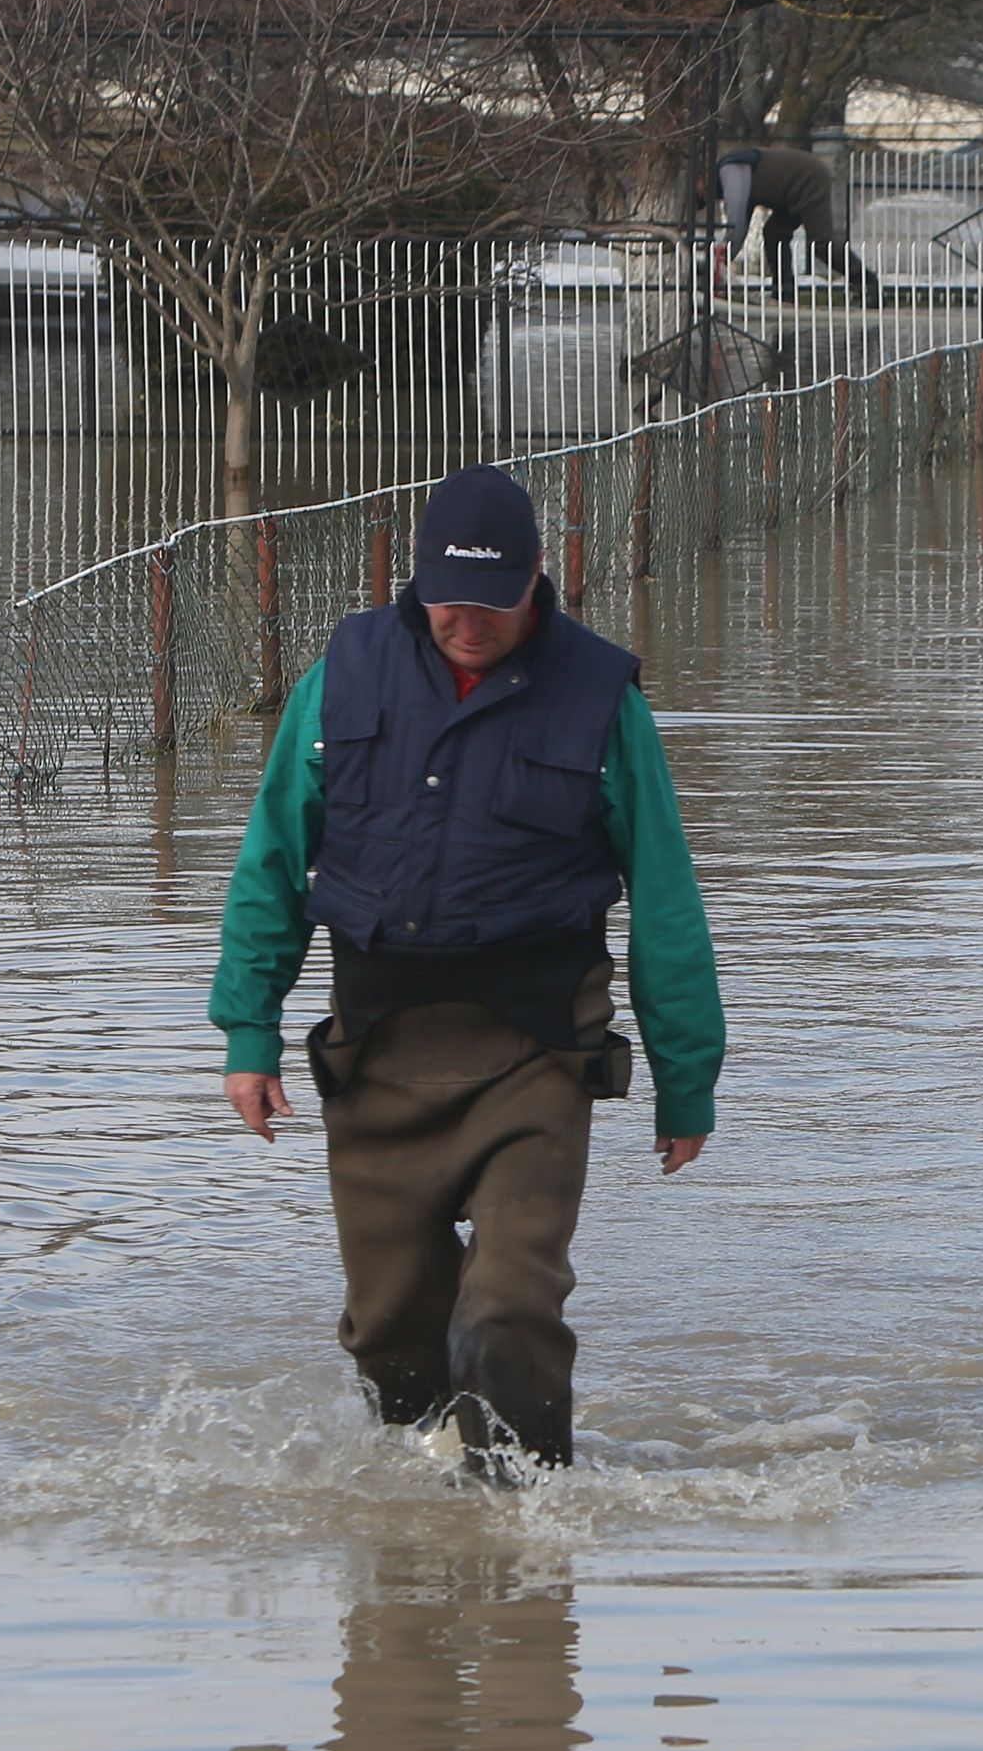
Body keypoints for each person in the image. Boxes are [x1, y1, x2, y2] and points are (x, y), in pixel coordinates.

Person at [210, 462, 726, 1473]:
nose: (468, 621)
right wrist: (248, 1029)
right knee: (394, 1333)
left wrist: (686, 1076)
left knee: (508, 1309)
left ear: (539, 575)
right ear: (418, 575)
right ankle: (422, 1543)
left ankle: (529, 1550)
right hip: (378, 1053)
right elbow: (271, 856)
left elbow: (666, 893)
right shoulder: (341, 676)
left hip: (536, 1057)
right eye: (448, 597)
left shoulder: (600, 699)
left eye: (493, 601)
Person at [712, 144, 839, 299]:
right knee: (774, 234)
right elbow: (741, 227)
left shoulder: (731, 169)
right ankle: (784, 293)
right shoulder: (737, 177)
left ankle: (868, 283)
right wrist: (724, 257)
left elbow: (736, 215)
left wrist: (721, 257)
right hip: (789, 192)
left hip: (808, 179)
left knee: (822, 244)